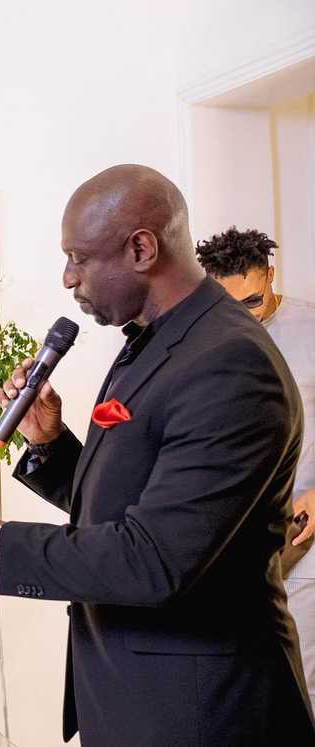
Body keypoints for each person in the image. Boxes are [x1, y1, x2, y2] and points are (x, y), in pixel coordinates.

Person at [0, 165, 314, 744]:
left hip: (203, 710)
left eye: (78, 258)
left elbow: (155, 559)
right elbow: (137, 500)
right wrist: (51, 445)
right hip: (136, 697)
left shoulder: (229, 362)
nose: (66, 277)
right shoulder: (157, 339)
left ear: (141, 249)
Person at [196, 226, 315, 703]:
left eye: (252, 302)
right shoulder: (198, 342)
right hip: (227, 546)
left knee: (302, 684)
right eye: (227, 305)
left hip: (303, 536)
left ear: (269, 275)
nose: (242, 317)